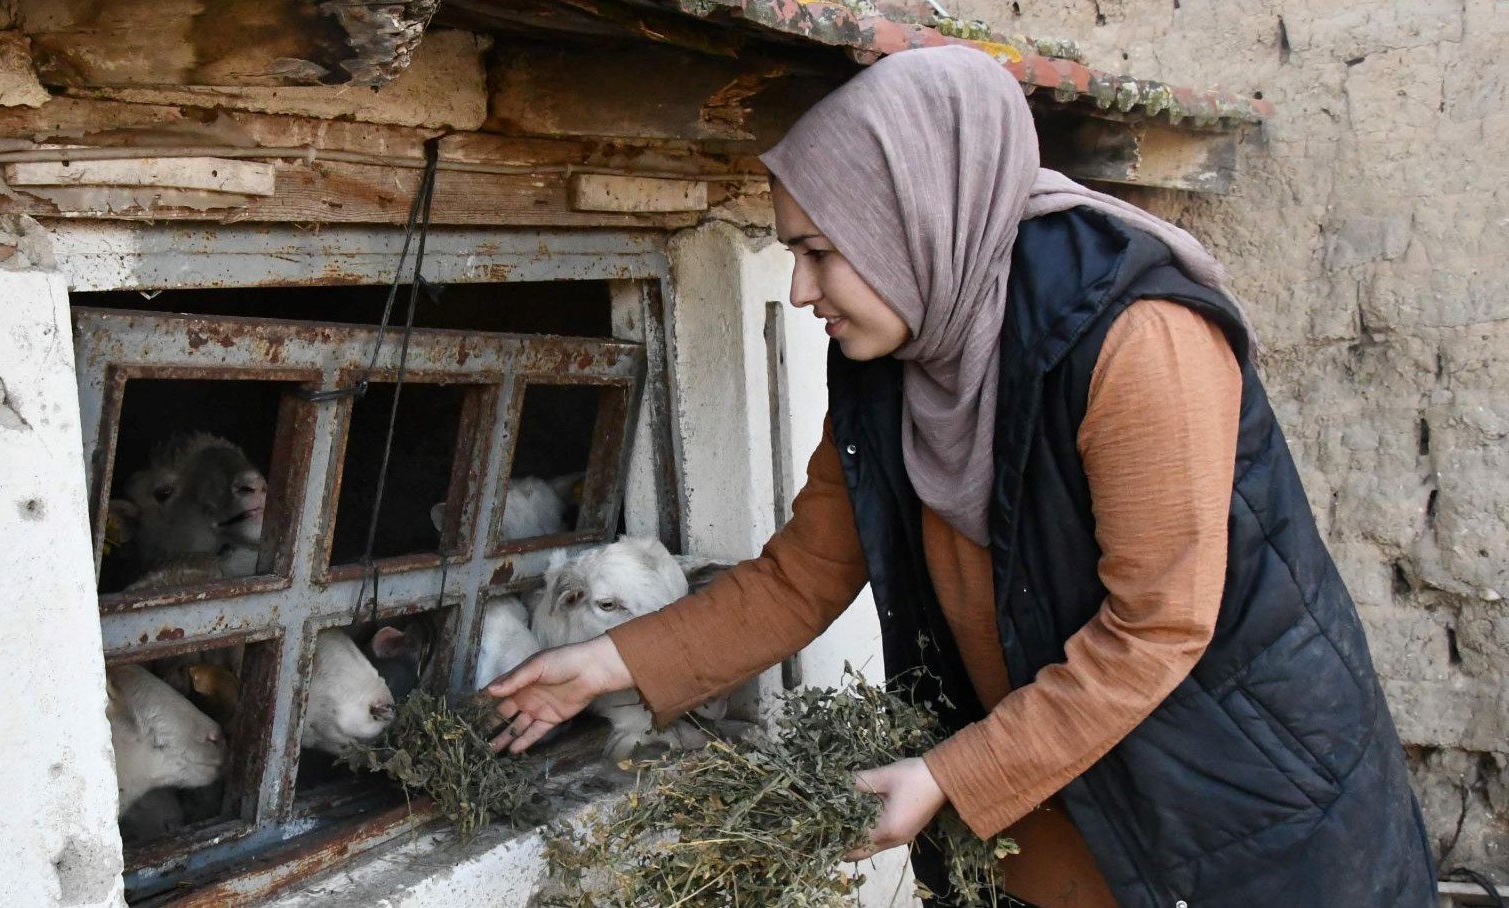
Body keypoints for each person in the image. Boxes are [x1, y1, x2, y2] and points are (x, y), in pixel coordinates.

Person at [488, 46, 1434, 908]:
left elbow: (1156, 629)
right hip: (1053, 824)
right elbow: (800, 577)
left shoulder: (1137, 337)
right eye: (792, 256)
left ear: (913, 222)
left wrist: (949, 778)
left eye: (820, 252)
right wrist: (604, 666)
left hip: (1236, 828)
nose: (802, 291)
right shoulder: (898, 356)